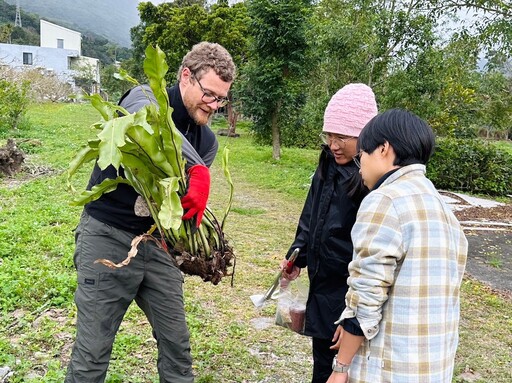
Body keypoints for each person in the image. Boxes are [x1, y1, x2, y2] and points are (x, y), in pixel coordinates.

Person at [65, 42, 236, 383]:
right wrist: (197, 169)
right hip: (107, 237)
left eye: (221, 99)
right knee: (92, 354)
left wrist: (196, 247)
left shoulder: (207, 142)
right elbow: (146, 119)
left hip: (158, 247)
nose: (215, 105)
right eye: (209, 94)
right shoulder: (144, 97)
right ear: (186, 76)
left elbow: (178, 204)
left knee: (178, 349)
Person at [327, 109, 468, 383]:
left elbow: (365, 298)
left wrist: (340, 368)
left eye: (362, 156)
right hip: (432, 368)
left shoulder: (386, 200)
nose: (360, 167)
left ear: (383, 149)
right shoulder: (443, 210)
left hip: (388, 368)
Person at [280, 84, 378, 383]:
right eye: (329, 135)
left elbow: (372, 251)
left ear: (363, 135)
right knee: (322, 360)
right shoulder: (328, 162)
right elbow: (311, 212)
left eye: (342, 137)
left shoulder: (371, 178)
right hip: (322, 282)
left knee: (348, 366)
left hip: (350, 288)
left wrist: (354, 311)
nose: (333, 144)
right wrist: (298, 254)